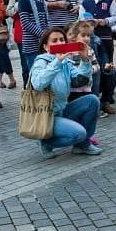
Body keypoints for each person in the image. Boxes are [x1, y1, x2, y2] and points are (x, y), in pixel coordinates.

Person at [29, 27, 101, 158]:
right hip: (45, 116)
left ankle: (82, 146)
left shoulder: (66, 62)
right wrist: (57, 62)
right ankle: (45, 142)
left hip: (62, 110)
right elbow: (37, 84)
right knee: (79, 133)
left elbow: (81, 81)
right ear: (46, 46)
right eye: (54, 41)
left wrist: (85, 61)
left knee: (92, 100)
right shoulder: (41, 61)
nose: (59, 43)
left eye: (62, 39)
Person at [82, 0, 116, 112]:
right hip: (89, 40)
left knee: (106, 68)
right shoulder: (86, 2)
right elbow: (81, 19)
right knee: (93, 70)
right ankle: (93, 100)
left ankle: (106, 101)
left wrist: (105, 21)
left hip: (105, 38)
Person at [17, 0, 49, 80]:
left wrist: (49, 33)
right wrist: (43, 34)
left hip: (44, 44)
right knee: (35, 76)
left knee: (45, 75)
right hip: (32, 44)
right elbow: (25, 23)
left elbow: (46, 19)